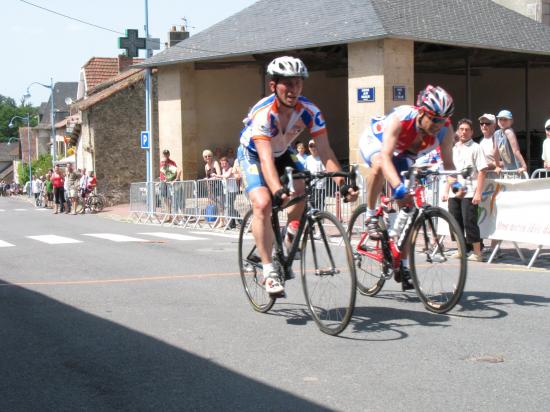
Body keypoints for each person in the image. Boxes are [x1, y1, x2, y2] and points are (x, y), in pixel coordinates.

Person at [237, 56, 357, 295]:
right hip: (253, 154)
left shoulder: (310, 111)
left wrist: (342, 183)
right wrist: (277, 189)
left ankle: (289, 236)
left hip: (283, 152)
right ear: (274, 86)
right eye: (288, 84)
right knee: (263, 203)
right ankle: (269, 270)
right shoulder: (263, 114)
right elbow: (264, 160)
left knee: (303, 189)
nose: (294, 89)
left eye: (298, 83)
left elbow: (325, 151)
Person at [358, 84, 456, 290]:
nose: (439, 124)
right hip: (377, 142)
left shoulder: (445, 129)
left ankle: (402, 264)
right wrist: (397, 185)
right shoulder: (401, 119)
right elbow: (385, 157)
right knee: (378, 165)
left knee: (410, 209)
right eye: (434, 119)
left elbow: (448, 164)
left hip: (404, 155)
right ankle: (370, 215)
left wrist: (455, 182)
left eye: (443, 119)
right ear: (422, 112)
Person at [442, 119, 488, 261]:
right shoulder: (454, 148)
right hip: (455, 191)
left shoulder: (476, 147)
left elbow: (482, 171)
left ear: (472, 132)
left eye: (467, 129)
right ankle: (461, 250)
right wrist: (446, 190)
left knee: (470, 221)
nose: (464, 132)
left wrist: (478, 192)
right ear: (457, 131)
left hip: (469, 191)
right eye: (461, 129)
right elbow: (450, 171)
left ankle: (477, 252)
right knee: (455, 221)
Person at [305, 139, 327, 211]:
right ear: (309, 148)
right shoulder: (308, 159)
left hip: (320, 186)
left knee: (319, 202)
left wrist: (320, 174)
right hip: (311, 185)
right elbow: (305, 170)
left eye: (314, 146)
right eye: (311, 146)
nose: (313, 148)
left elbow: (326, 171)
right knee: (311, 202)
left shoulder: (321, 158)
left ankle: (321, 217)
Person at [160, 149, 178, 217]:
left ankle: (172, 214)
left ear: (169, 154)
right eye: (164, 154)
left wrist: (172, 179)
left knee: (171, 197)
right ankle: (168, 213)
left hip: (170, 182)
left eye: (167, 154)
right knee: (164, 197)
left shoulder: (172, 162)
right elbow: (161, 171)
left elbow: (175, 171)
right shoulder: (161, 162)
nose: (166, 155)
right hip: (163, 181)